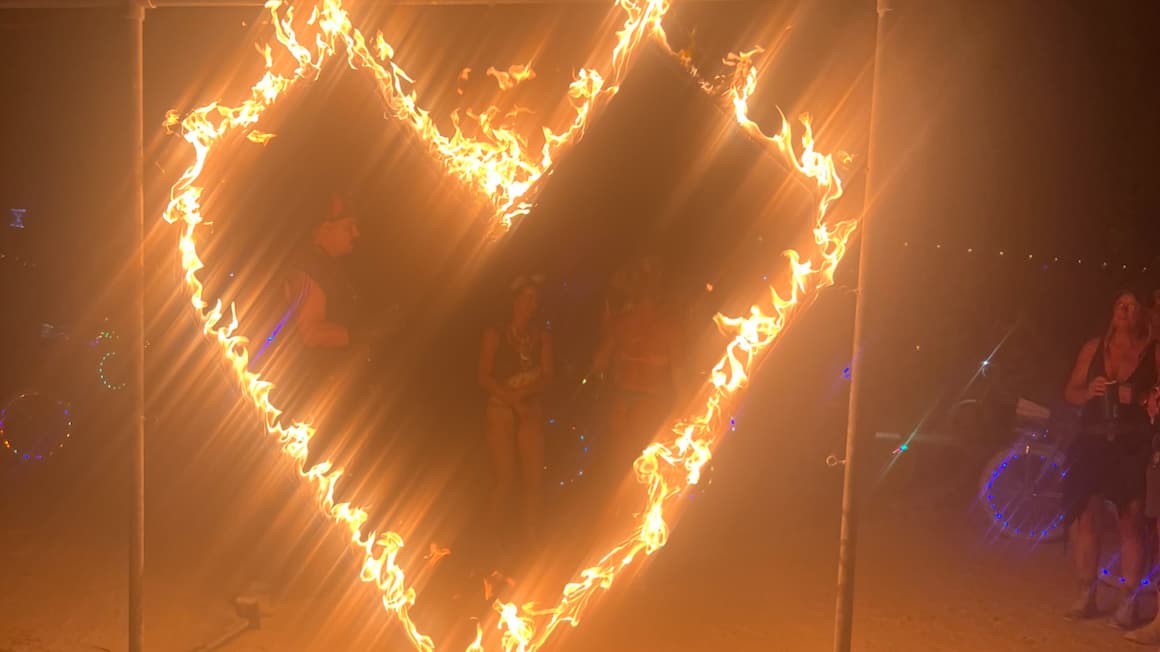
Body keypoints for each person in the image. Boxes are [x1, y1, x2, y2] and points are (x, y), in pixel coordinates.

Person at [1062, 290, 1156, 628]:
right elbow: (1070, 391)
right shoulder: (1093, 349)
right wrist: (1088, 392)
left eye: (1131, 305)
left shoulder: (1153, 354)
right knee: (1086, 517)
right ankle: (1087, 593)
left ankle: (1128, 599)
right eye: (1119, 303)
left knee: (1130, 520)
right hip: (1091, 441)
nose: (1123, 309)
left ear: (1141, 315)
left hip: (1130, 444)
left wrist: (1141, 396)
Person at [590, 257, 682, 488]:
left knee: (629, 472)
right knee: (633, 474)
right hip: (635, 404)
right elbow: (599, 364)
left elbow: (598, 364)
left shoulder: (637, 324)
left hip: (639, 404)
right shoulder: (664, 327)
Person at [478, 275, 554, 545]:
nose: (530, 304)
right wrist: (512, 399)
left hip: (529, 408)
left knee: (534, 478)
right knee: (505, 478)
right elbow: (484, 376)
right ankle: (490, 539)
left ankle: (530, 536)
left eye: (535, 299)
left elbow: (547, 375)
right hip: (502, 407)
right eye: (525, 297)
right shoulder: (495, 334)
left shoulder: (541, 336)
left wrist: (524, 395)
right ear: (513, 300)